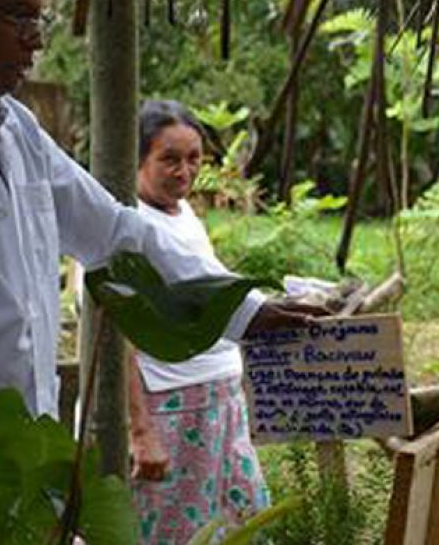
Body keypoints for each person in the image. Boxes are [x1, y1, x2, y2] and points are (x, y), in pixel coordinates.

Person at [0, 0, 310, 447]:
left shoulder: (17, 132)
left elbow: (113, 232)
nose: (36, 40)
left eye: (40, 19)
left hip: (23, 461)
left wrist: (245, 311)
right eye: (17, 15)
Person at [128, 100, 325, 543]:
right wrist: (140, 432)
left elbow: (210, 293)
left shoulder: (184, 214)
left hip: (220, 403)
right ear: (138, 158)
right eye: (169, 159)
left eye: (194, 158)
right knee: (174, 532)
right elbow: (115, 340)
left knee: (242, 523)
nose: (185, 171)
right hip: (171, 411)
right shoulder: (124, 226)